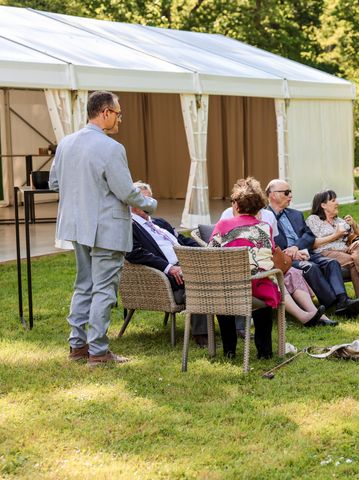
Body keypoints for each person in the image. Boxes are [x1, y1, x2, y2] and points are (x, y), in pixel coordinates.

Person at [49, 91, 157, 366]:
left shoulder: (65, 143)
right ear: (106, 113)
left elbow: (54, 184)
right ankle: (98, 351)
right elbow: (126, 192)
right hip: (106, 229)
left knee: (83, 284)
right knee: (104, 289)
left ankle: (77, 346)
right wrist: (150, 203)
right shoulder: (112, 148)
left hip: (76, 225)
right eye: (119, 113)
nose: (120, 119)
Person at [219, 201, 337, 327]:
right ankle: (304, 317)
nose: (260, 214)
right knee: (276, 277)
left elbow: (273, 248)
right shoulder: (252, 227)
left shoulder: (264, 222)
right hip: (248, 274)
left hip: (264, 266)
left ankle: (313, 313)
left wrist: (293, 251)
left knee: (293, 273)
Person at [125, 182, 209, 347]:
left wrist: (208, 251)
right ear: (131, 202)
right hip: (168, 275)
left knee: (228, 275)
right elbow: (134, 253)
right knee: (202, 283)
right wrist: (168, 267)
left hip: (186, 264)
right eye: (142, 199)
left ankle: (237, 328)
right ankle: (202, 336)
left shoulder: (160, 223)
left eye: (149, 199)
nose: (147, 203)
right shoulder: (129, 226)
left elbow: (183, 240)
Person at [266, 179, 359, 316]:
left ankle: (343, 300)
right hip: (284, 258)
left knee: (332, 263)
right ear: (273, 195)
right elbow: (269, 243)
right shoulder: (265, 217)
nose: (290, 196)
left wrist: (297, 247)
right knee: (311, 267)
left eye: (290, 192)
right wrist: (290, 253)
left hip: (305, 252)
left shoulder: (296, 214)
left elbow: (309, 235)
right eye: (286, 193)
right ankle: (335, 304)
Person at [207, 177, 281, 359]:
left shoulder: (223, 225)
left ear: (237, 206)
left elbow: (211, 252)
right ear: (258, 207)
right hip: (257, 289)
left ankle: (229, 350)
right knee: (265, 287)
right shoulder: (265, 227)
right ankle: (264, 352)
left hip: (228, 288)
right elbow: (269, 253)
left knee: (224, 296)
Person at [306, 189, 359, 300]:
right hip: (325, 252)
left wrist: (353, 224)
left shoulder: (338, 220)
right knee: (355, 262)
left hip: (344, 249)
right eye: (333, 200)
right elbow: (313, 243)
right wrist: (336, 235)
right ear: (323, 205)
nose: (337, 203)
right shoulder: (313, 220)